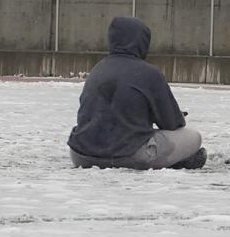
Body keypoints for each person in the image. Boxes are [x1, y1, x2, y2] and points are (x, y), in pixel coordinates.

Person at [67, 16, 205, 170]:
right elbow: (172, 123)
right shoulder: (149, 73)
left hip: (81, 155)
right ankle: (176, 161)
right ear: (142, 42)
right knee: (194, 137)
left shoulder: (97, 70)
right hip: (129, 155)